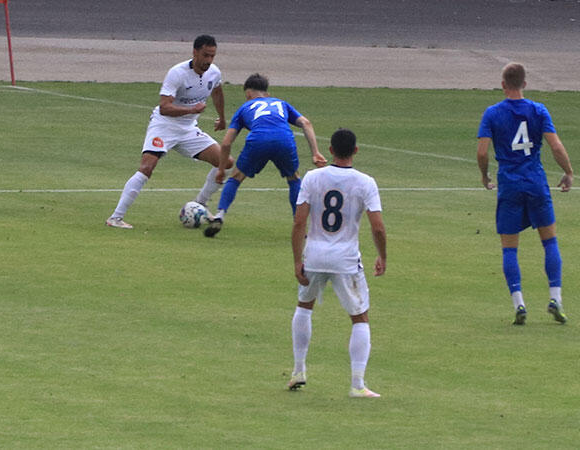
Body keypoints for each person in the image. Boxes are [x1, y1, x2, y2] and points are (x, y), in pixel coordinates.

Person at [287, 128, 387, 398]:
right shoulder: (365, 182)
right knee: (360, 317)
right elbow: (377, 227)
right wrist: (383, 256)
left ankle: (298, 370)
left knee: (304, 306)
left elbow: (299, 222)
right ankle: (357, 384)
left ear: (330, 150)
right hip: (346, 259)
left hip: (314, 255)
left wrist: (297, 260)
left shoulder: (312, 178)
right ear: (356, 150)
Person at [476, 62, 574, 325]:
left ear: (503, 85)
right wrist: (568, 171)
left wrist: (484, 175)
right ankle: (555, 298)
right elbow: (556, 146)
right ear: (525, 84)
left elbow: (482, 152)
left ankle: (519, 303)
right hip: (535, 182)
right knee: (549, 242)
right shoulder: (538, 110)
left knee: (510, 248)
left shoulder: (492, 113)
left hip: (509, 184)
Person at [106, 34, 233, 229]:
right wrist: (192, 110)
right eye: (205, 55)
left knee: (226, 162)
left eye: (212, 56)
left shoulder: (214, 72)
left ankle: (200, 203)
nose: (209, 60)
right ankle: (115, 218)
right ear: (195, 52)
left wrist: (222, 118)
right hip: (164, 126)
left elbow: (217, 92)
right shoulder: (177, 73)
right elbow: (164, 107)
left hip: (188, 129)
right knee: (147, 168)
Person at [203, 73, 327, 237]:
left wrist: (220, 169)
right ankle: (300, 225)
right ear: (267, 93)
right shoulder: (280, 103)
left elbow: (226, 143)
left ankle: (220, 215)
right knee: (294, 179)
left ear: (248, 94)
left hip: (258, 141)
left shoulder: (244, 108)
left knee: (236, 177)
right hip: (284, 140)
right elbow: (305, 123)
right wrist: (315, 152)